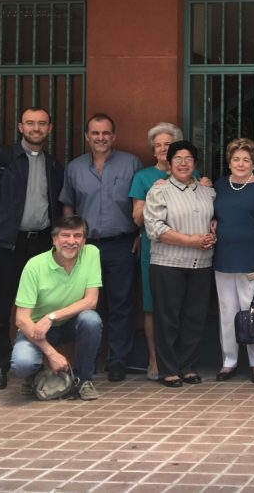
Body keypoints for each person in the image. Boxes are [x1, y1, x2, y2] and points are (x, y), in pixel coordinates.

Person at [0, 106, 64, 391]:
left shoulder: (54, 165)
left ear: (50, 128)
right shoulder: (0, 159)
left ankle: (33, 366)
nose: (36, 128)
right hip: (4, 245)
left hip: (42, 245)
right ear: (21, 127)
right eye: (30, 123)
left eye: (42, 123)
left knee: (39, 308)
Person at [60, 112, 142, 382]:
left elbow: (140, 203)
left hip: (121, 244)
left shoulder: (131, 163)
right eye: (95, 133)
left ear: (113, 136)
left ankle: (118, 360)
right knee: (87, 306)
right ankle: (89, 359)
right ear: (87, 137)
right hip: (85, 248)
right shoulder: (74, 168)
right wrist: (68, 242)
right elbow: (68, 207)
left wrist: (140, 235)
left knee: (121, 304)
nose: (101, 138)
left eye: (106, 133)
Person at [144, 140, 216, 388]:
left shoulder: (208, 190)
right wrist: (191, 241)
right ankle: (168, 369)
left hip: (201, 264)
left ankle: (188, 366)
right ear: (169, 162)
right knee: (168, 318)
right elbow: (155, 229)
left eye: (188, 159)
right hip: (168, 263)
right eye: (178, 159)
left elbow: (216, 219)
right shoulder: (159, 191)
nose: (183, 163)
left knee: (194, 318)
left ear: (195, 163)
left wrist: (212, 232)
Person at [10, 215, 102, 401]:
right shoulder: (34, 265)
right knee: (22, 364)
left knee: (91, 320)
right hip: (36, 330)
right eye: (65, 235)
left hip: (68, 324)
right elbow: (21, 319)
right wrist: (52, 354)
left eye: (77, 236)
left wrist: (51, 316)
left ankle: (83, 380)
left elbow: (91, 301)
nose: (71, 241)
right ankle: (35, 375)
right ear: (54, 239)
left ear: (84, 240)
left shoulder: (91, 253)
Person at [212, 138, 254, 384]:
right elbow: (211, 213)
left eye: (246, 160)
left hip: (253, 261)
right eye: (236, 159)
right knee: (227, 312)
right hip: (224, 259)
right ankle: (229, 361)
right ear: (229, 162)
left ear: (253, 163)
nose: (241, 163)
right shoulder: (219, 186)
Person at [129, 122, 183, 381]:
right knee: (152, 307)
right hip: (154, 248)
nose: (163, 149)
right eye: (158, 145)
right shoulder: (143, 177)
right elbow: (138, 218)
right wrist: (155, 191)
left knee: (180, 306)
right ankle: (153, 359)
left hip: (186, 248)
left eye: (168, 144)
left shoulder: (190, 172)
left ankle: (179, 359)